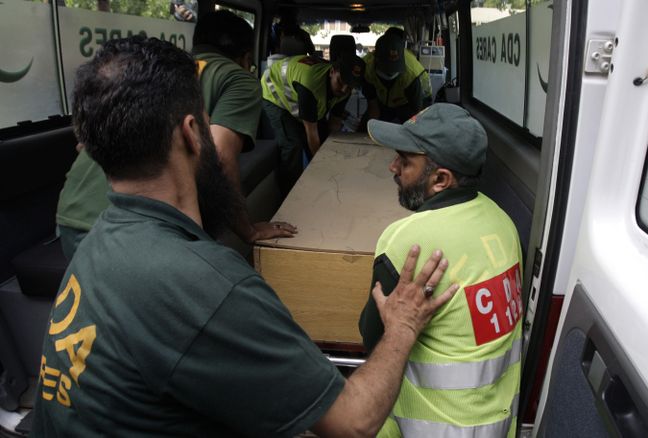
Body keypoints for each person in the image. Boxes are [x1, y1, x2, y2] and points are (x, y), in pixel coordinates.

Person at [32, 36, 458, 437]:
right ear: (191, 133)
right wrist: (401, 325)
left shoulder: (95, 243)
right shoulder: (206, 285)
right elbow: (354, 421)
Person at [54, 10, 295, 259]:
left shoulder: (156, 70)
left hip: (73, 214)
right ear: (246, 58)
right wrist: (249, 231)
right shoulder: (238, 78)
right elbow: (221, 157)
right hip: (136, 231)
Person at [358, 103, 524, 437]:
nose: (393, 166)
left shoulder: (405, 241)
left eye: (405, 161)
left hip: (426, 427)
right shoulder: (503, 222)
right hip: (500, 423)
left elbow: (371, 336)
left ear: (440, 179)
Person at [261, 53, 365, 194]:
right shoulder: (311, 83)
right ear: (332, 72)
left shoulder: (345, 90)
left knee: (322, 140)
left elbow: (334, 124)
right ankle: (290, 194)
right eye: (340, 82)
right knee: (293, 145)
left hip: (300, 94)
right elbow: (311, 133)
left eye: (350, 86)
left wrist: (332, 154)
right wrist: (323, 168)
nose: (343, 90)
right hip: (275, 93)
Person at [362, 32, 432, 125]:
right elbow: (373, 107)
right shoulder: (366, 68)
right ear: (376, 58)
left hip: (410, 102)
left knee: (412, 126)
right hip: (383, 102)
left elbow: (417, 114)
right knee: (366, 126)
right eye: (387, 68)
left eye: (395, 68)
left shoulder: (411, 75)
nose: (391, 72)